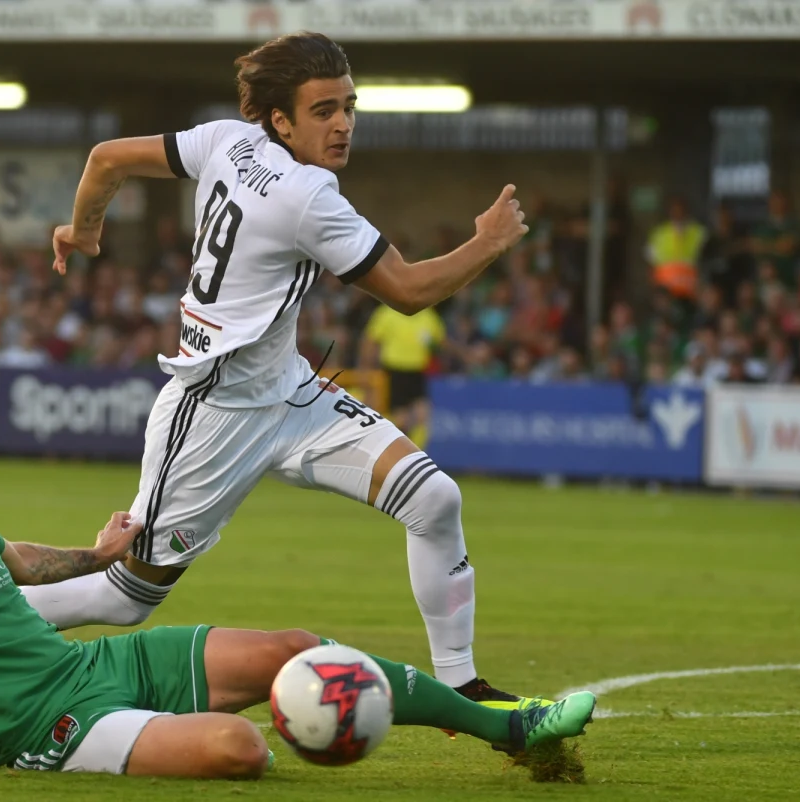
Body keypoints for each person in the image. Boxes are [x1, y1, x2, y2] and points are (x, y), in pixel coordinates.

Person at [32, 32, 533, 706]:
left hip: (291, 395)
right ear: (280, 120)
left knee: (435, 498)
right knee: (124, 598)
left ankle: (463, 689)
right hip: (213, 414)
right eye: (323, 111)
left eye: (349, 107)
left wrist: (84, 228)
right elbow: (409, 292)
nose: (343, 125)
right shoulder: (305, 196)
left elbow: (106, 159)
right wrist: (488, 242)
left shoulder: (222, 141)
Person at [0, 398, 597, 778]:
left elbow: (15, 562)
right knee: (240, 748)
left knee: (298, 651)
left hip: (85, 673)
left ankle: (506, 727)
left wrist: (96, 552)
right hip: (45, 726)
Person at [361, 303, 446, 447]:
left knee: (422, 415)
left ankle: (418, 455)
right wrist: (367, 367)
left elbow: (440, 343)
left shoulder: (428, 315)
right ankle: (394, 453)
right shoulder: (387, 313)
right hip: (394, 371)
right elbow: (370, 341)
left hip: (417, 372)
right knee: (401, 419)